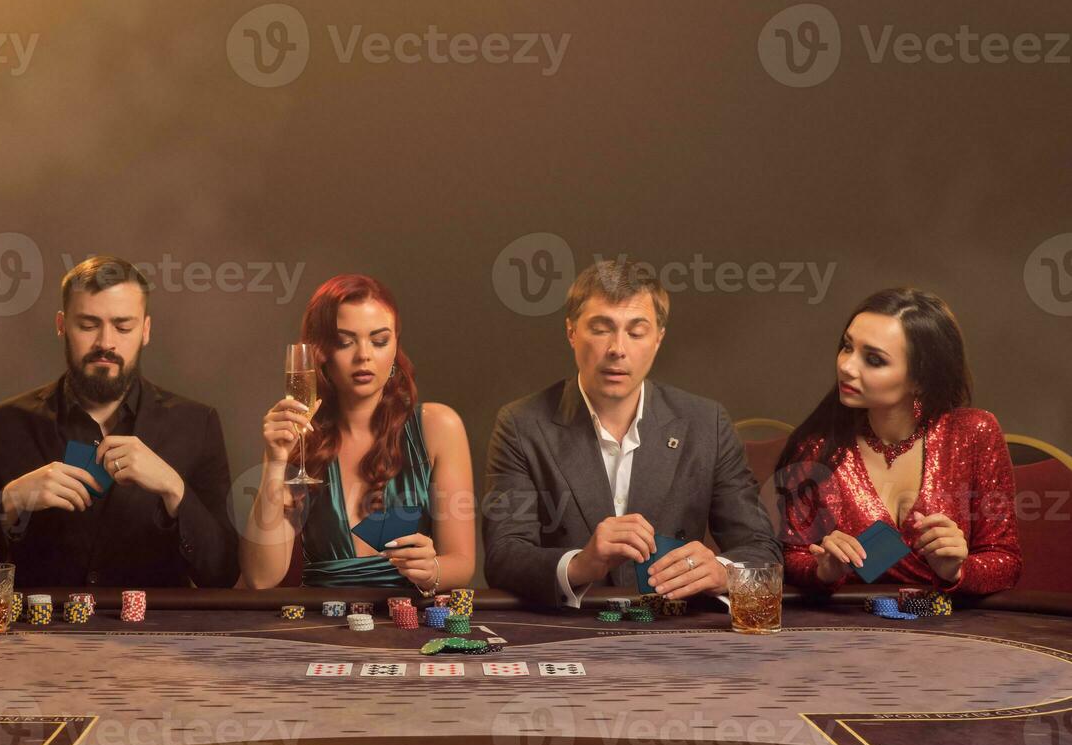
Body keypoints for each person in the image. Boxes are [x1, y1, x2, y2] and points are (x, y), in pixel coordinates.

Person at [483, 258, 778, 606]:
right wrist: (580, 564)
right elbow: (503, 555)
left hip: (675, 631)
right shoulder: (521, 423)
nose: (617, 349)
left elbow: (762, 548)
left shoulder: (706, 422)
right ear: (571, 332)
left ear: (658, 339)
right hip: (569, 631)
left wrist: (722, 571)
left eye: (636, 332)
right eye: (601, 328)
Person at [0, 256, 239, 589]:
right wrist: (10, 501)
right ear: (61, 325)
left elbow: (223, 573)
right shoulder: (3, 425)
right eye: (88, 324)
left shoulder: (196, 424)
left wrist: (174, 488)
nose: (105, 343)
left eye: (123, 326)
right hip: (40, 638)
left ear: (146, 331)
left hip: (154, 638)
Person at [776, 288, 1021, 594]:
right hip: (849, 627)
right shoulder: (816, 446)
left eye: (874, 359)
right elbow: (791, 559)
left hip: (949, 627)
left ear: (920, 379)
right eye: (847, 347)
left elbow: (1006, 562)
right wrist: (823, 569)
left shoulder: (973, 432)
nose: (847, 367)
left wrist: (957, 569)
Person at [240, 274, 475, 591]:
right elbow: (261, 578)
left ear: (395, 348)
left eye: (379, 341)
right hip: (318, 629)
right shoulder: (299, 435)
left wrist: (431, 569)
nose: (364, 355)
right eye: (344, 342)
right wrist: (274, 463)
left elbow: (461, 564)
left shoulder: (438, 426)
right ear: (320, 352)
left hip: (406, 628)